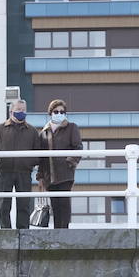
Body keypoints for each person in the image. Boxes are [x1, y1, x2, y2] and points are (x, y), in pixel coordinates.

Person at [0, 99, 44, 230]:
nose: (21, 112)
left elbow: (38, 152)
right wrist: (0, 161)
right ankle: (5, 231)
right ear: (11, 111)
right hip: (4, 171)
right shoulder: (0, 129)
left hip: (24, 172)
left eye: (23, 110)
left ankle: (23, 232)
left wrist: (28, 163)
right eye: (18, 110)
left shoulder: (32, 131)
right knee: (4, 204)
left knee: (24, 204)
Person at [38, 98, 81, 229]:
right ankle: (57, 232)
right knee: (55, 206)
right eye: (56, 111)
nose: (59, 114)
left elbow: (78, 147)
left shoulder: (72, 127)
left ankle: (64, 231)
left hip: (65, 174)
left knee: (64, 204)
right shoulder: (43, 132)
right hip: (49, 176)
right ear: (50, 113)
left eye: (62, 111)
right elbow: (41, 157)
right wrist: (40, 177)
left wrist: (69, 162)